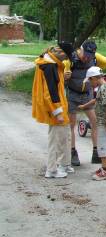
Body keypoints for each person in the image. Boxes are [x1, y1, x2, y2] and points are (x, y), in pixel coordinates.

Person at [32, 43, 74, 178]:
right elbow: (50, 92)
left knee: (65, 137)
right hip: (56, 108)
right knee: (56, 140)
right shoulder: (49, 66)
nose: (65, 61)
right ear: (61, 54)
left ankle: (65, 164)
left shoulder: (53, 64)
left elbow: (57, 86)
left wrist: (64, 76)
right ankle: (52, 169)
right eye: (66, 58)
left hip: (61, 106)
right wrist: (58, 112)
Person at [84, 67, 106, 180]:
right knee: (102, 145)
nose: (90, 84)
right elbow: (97, 101)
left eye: (90, 81)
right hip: (101, 121)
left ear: (93, 78)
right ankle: (103, 167)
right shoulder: (101, 87)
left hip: (105, 122)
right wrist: (85, 106)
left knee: (104, 146)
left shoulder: (104, 88)